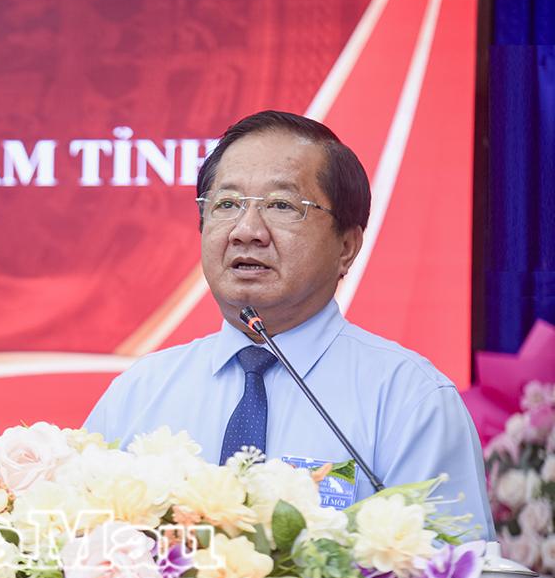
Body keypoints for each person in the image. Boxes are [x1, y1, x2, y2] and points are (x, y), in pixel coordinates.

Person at [84, 110, 494, 539]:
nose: (246, 231)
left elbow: (455, 574)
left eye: (281, 205)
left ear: (347, 246)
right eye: (226, 204)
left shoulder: (410, 399)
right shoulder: (140, 393)